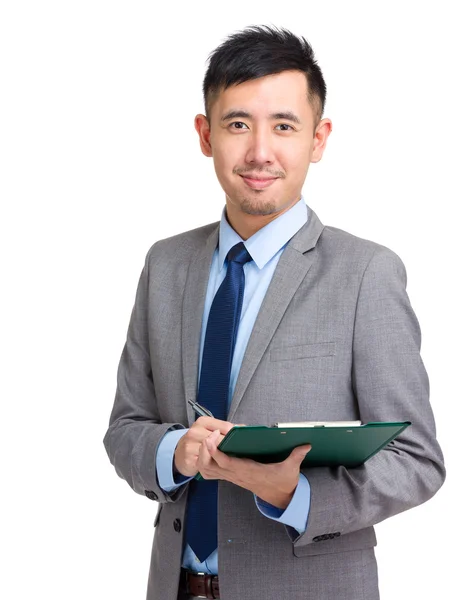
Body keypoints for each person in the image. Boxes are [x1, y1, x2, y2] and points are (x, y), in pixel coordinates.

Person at [103, 25, 446, 600]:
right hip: (176, 585)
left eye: (284, 126)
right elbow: (125, 428)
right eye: (238, 124)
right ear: (205, 134)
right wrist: (174, 452)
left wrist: (294, 494)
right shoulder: (165, 265)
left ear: (318, 138)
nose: (260, 151)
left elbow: (416, 460)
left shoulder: (366, 274)